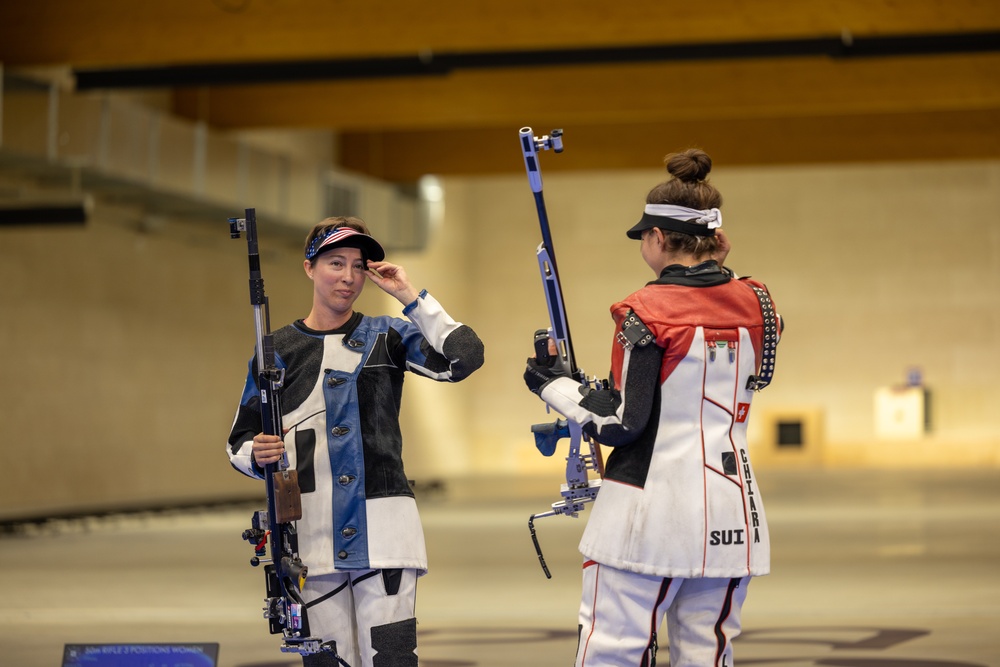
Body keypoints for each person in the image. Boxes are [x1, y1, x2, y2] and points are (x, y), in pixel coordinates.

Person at [524, 149, 782, 667]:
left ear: (658, 239)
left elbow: (623, 422)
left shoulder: (644, 310)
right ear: (715, 238)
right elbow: (754, 363)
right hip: (734, 517)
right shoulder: (759, 302)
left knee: (612, 653)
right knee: (709, 655)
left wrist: (550, 384)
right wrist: (718, 264)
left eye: (645, 235)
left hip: (647, 517)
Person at [227, 216, 485, 667]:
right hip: (310, 538)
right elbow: (239, 441)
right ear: (309, 267)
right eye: (335, 263)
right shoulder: (275, 350)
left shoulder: (389, 335)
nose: (348, 277)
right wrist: (257, 454)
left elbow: (465, 357)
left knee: (391, 660)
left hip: (386, 531)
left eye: (358, 266)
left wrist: (409, 295)